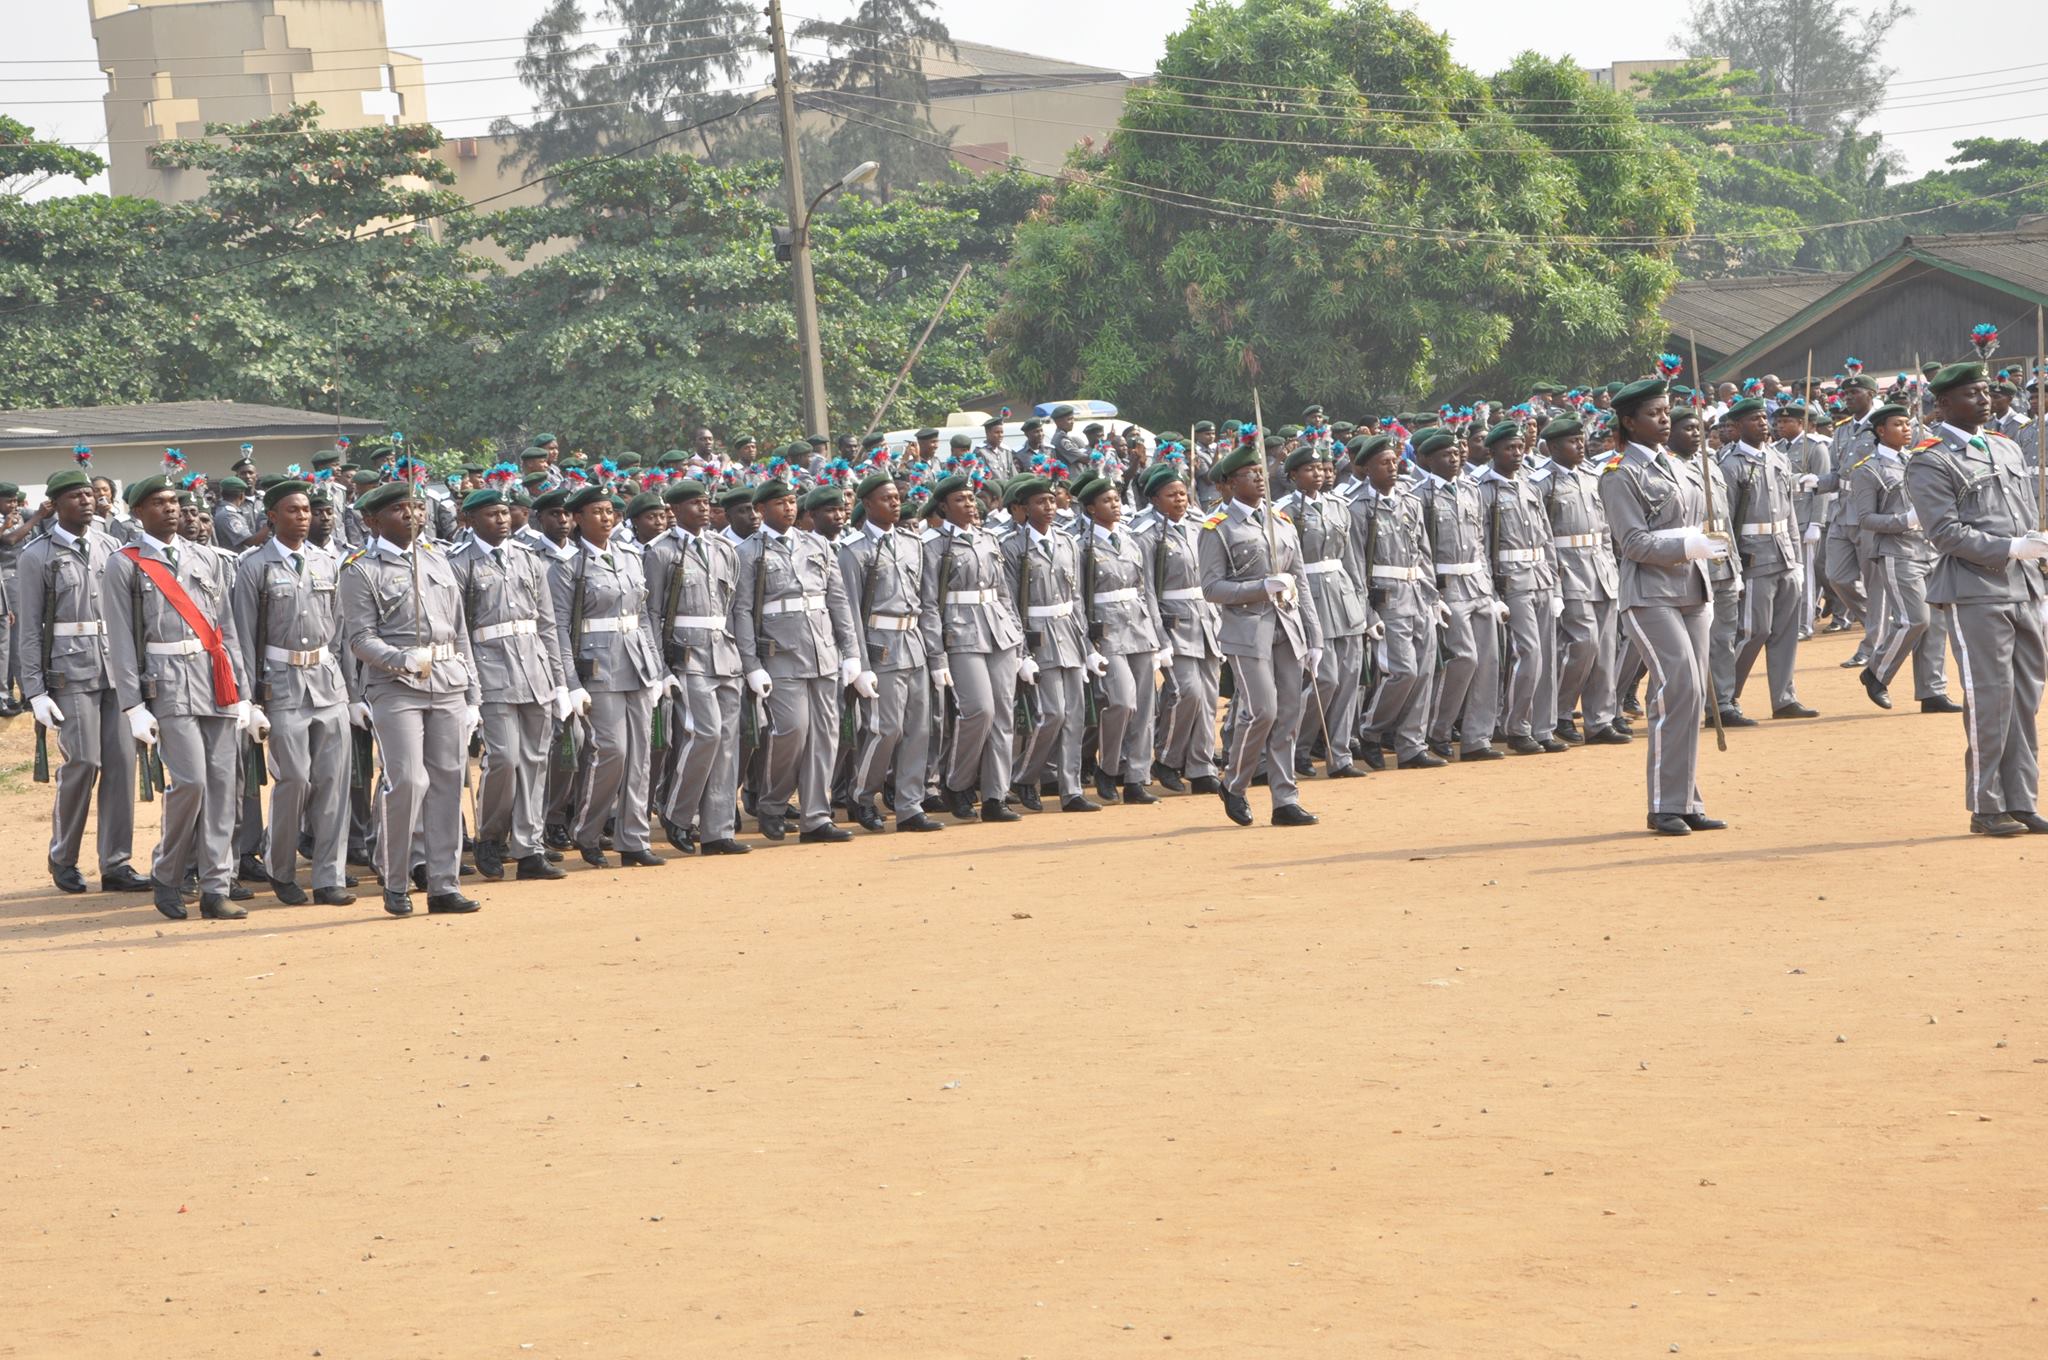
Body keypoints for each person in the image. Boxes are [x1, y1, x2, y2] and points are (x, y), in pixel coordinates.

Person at [1903, 363, 2048, 835]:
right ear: (1943, 404)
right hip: (1976, 588)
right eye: (1971, 393)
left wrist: (2035, 547)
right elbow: (1944, 532)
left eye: (1986, 391)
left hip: (2026, 585)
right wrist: (2010, 548)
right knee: (1991, 697)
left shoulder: (2005, 446)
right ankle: (1986, 805)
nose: (1984, 400)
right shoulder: (1931, 459)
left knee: (2025, 697)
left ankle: (2021, 799)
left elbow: (2025, 511)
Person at [102, 474, 255, 918]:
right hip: (167, 683)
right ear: (137, 513)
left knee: (223, 786)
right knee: (191, 783)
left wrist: (243, 692)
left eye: (173, 501)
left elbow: (227, 629)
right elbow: (121, 639)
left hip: (215, 681)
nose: (170, 509)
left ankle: (215, 887)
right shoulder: (125, 564)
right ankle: (168, 874)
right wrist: (132, 704)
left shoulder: (206, 557)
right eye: (158, 502)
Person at [339, 480, 482, 916]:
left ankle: (444, 884)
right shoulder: (360, 569)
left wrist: (473, 693)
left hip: (448, 682)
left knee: (447, 781)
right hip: (395, 687)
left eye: (417, 507)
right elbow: (359, 638)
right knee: (407, 781)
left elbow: (459, 630)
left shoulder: (438, 557)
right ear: (372, 520)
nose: (413, 515)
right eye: (400, 508)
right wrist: (401, 659)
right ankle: (396, 879)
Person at [1596, 379, 1730, 836]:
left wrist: (1706, 544)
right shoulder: (1619, 473)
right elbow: (1633, 542)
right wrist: (1688, 545)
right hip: (1649, 593)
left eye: (1666, 411)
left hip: (1692, 589)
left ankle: (1685, 800)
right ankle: (1663, 805)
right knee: (1678, 688)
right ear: (1629, 422)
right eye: (1653, 413)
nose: (1664, 420)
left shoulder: (1676, 464)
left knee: (1691, 696)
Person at [19, 469, 148, 895]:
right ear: (55, 505)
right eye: (76, 496)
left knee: (122, 765)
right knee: (83, 763)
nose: (87, 501)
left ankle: (116, 863)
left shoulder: (112, 547)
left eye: (90, 494)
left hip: (116, 671)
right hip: (70, 673)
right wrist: (35, 691)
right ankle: (63, 857)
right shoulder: (38, 554)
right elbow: (29, 629)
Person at [229, 479, 357, 906]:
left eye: (306, 510)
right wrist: (249, 699)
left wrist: (353, 693)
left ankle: (328, 876)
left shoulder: (327, 563)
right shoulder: (255, 567)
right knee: (295, 780)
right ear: (272, 517)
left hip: (327, 682)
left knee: (333, 782)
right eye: (293, 510)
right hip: (281, 684)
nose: (303, 517)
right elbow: (243, 636)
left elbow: (340, 632)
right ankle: (280, 868)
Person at [1197, 443, 1323, 827]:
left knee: (1289, 713)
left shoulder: (1279, 520)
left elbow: (1299, 580)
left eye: (1260, 471)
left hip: (1287, 626)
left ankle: (1285, 799)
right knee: (1263, 711)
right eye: (1249, 474)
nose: (1259, 477)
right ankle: (1234, 783)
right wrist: (1260, 587)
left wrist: (1314, 637)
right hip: (1247, 629)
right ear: (1230, 483)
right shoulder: (1218, 528)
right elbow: (1212, 588)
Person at [450, 486, 570, 882]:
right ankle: (490, 835)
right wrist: (470, 690)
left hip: (535, 669)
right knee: (503, 759)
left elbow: (548, 625)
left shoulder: (528, 558)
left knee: (536, 760)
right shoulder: (460, 563)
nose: (501, 520)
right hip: (491, 670)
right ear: (470, 520)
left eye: (504, 513)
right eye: (491, 514)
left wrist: (559, 682)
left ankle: (529, 847)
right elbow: (459, 632)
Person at [733, 479, 863, 842]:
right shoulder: (748, 552)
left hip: (823, 652)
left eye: (791, 501)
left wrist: (851, 651)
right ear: (761, 510)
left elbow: (838, 601)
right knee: (791, 731)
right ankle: (772, 804)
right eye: (779, 503)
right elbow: (742, 611)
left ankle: (816, 817)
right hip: (780, 654)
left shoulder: (817, 544)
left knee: (825, 735)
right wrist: (751, 664)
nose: (788, 508)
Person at [548, 484, 668, 867]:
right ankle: (587, 830)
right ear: (578, 518)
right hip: (597, 667)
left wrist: (656, 668)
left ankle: (633, 839)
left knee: (641, 755)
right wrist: (569, 683)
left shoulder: (631, 557)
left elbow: (643, 617)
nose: (606, 517)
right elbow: (559, 629)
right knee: (612, 751)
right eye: (597, 511)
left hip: (636, 663)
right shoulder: (568, 567)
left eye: (609, 511)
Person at [643, 479, 750, 857]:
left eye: (705, 502)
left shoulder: (724, 549)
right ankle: (677, 812)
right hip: (687, 655)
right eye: (694, 503)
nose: (703, 508)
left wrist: (745, 659)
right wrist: (660, 668)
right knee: (704, 734)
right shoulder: (660, 552)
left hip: (725, 653)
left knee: (727, 743)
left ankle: (718, 830)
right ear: (674, 510)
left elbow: (734, 606)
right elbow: (651, 614)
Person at [837, 472, 945, 833]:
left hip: (913, 643)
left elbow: (927, 603)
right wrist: (859, 662)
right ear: (867, 504)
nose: (895, 503)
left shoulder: (913, 543)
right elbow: (851, 611)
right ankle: (862, 795)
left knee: (918, 729)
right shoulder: (854, 550)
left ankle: (909, 805)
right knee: (886, 729)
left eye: (897, 497)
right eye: (887, 498)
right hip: (879, 646)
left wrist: (936, 657)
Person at [920, 473, 1026, 822]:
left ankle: (996, 795)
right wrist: (936, 655)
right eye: (960, 500)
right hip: (960, 631)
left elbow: (1004, 593)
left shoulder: (988, 538)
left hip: (998, 630)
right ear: (943, 507)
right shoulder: (932, 545)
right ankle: (957, 782)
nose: (969, 504)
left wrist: (1018, 637)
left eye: (970, 498)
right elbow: (929, 604)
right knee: (979, 710)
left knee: (1003, 715)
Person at [1850, 403, 1959, 715]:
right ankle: (1876, 672)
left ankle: (1933, 690)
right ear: (1881, 431)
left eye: (1907, 423)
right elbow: (1865, 519)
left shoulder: (1917, 461)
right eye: (1898, 424)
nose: (1906, 428)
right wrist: (1904, 520)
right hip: (1897, 551)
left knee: (1936, 623)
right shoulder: (1868, 470)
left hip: (1930, 550)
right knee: (1915, 619)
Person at [1274, 445, 1371, 778]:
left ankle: (1340, 756)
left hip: (1344, 597)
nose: (1317, 474)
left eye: (1320, 468)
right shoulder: (1284, 512)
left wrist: (1362, 604)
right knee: (1324, 679)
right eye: (1308, 469)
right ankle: (1299, 746)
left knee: (1349, 680)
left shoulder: (1339, 507)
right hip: (1310, 597)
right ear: (1292, 476)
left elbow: (1353, 559)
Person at [1074, 475, 1169, 804]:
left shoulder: (1131, 540)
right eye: (1106, 501)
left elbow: (1147, 591)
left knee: (1144, 707)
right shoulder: (1082, 546)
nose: (1115, 505)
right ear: (1090, 509)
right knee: (1122, 701)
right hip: (1107, 631)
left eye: (1116, 499)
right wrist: (1087, 645)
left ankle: (1136, 778)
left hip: (1139, 627)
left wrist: (1159, 637)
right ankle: (1108, 767)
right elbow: (1079, 600)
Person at [1350, 433, 1443, 769]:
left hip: (1418, 594)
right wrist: (1367, 612)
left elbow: (1424, 553)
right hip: (1387, 598)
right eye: (1383, 463)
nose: (1392, 467)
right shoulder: (1358, 508)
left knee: (1425, 671)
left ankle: (1411, 745)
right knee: (1403, 671)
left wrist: (1433, 597)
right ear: (1366, 469)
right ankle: (1371, 730)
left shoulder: (1410, 501)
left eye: (1394, 461)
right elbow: (1355, 565)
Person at [1719, 397, 1815, 720]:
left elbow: (1789, 514)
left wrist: (1797, 560)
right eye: (1754, 419)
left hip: (1784, 553)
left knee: (1785, 631)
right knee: (1753, 630)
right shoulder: (1730, 466)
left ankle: (1784, 698)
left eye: (1764, 417)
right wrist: (1733, 568)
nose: (1763, 423)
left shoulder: (1778, 458)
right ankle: (1723, 697)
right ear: (1737, 426)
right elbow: (1726, 523)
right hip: (1754, 557)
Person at [1131, 463, 1224, 792]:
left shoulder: (1201, 525)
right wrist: (1159, 636)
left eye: (1183, 493)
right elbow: (1147, 590)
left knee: (1208, 696)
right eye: (1171, 495)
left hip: (1206, 617)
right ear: (1155, 499)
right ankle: (1168, 758)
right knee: (1186, 691)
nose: (1180, 500)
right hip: (1173, 621)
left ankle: (1201, 766)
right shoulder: (1147, 534)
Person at [1535, 418, 1627, 747]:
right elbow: (1542, 536)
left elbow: (1605, 528)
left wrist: (1612, 567)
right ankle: (1560, 711)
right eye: (1572, 441)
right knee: (1582, 644)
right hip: (1568, 570)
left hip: (1601, 569)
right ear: (1553, 447)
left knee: (1605, 649)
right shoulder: (1542, 483)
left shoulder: (1593, 476)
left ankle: (1599, 720)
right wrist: (1553, 581)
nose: (1580, 445)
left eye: (1580, 439)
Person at [1413, 428, 1504, 762]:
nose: (1453, 459)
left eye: (1455, 453)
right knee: (1464, 658)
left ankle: (1476, 738)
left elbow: (1481, 543)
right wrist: (1432, 594)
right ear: (1428, 460)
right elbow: (1420, 551)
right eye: (1445, 455)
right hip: (1447, 585)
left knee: (1489, 661)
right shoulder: (1421, 496)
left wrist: (1491, 590)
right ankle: (1437, 730)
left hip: (1477, 583)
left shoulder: (1471, 490)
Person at [1003, 475, 1093, 812]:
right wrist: (1021, 652)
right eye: (1040, 502)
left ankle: (1071, 789)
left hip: (1069, 632)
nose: (1049, 507)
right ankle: (1025, 775)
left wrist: (1087, 645)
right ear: (1024, 509)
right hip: (1038, 636)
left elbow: (1077, 597)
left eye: (1052, 500)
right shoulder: (1013, 547)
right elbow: (1011, 603)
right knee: (1051, 713)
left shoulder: (1068, 542)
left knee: (1076, 715)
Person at [1476, 422, 1565, 755]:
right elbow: (1482, 547)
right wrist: (1491, 593)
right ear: (1492, 452)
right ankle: (1516, 726)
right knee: (1528, 653)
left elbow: (1547, 539)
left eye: (1519, 447)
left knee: (1547, 657)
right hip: (1511, 580)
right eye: (1509, 449)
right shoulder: (1483, 490)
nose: (1516, 453)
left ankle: (1543, 727)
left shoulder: (1529, 485)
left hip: (1540, 577)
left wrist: (1556, 586)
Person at [1669, 408, 1750, 727]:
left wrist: (1736, 566)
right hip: (1691, 563)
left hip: (1722, 562)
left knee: (1723, 638)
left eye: (1698, 428)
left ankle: (1723, 704)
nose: (1696, 434)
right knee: (1689, 645)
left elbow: (1725, 521)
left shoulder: (1711, 464)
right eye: (1687, 428)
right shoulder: (1668, 468)